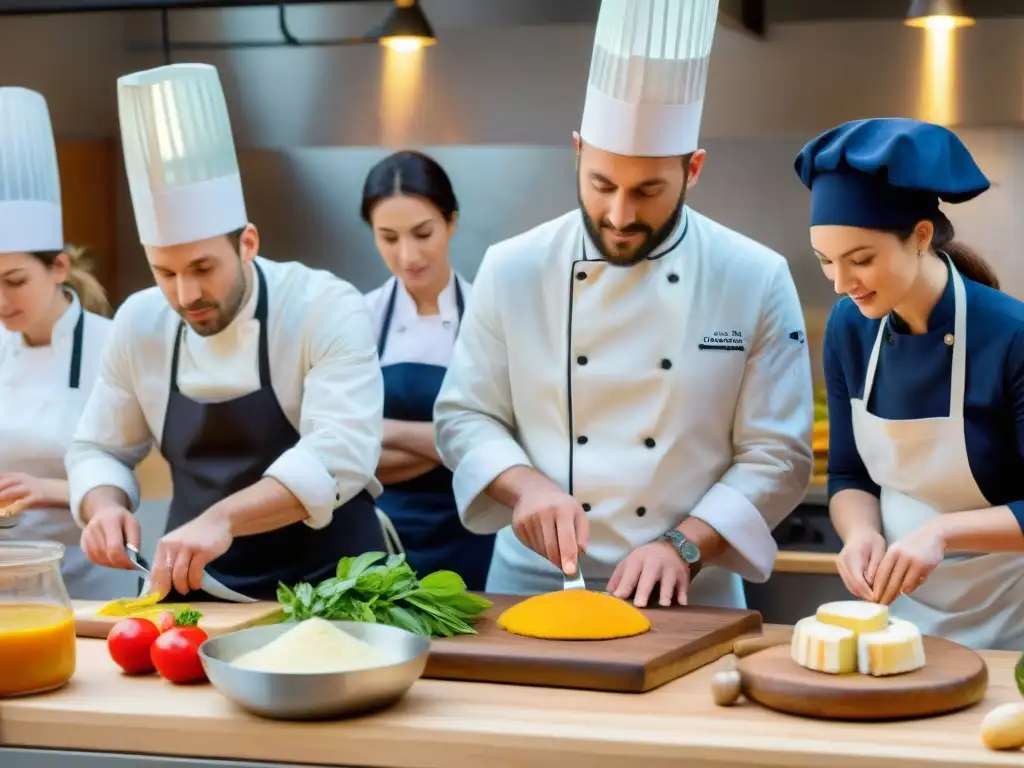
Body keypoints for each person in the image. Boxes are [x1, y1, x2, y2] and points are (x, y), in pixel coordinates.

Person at [432, 0, 814, 608]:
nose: (619, 215)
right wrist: (525, 487)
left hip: (693, 587)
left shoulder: (754, 276)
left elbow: (780, 454)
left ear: (694, 169)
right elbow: (463, 416)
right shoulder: (515, 266)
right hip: (536, 582)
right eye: (602, 184)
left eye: (648, 191)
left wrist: (685, 546)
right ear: (578, 152)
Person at [66, 62, 387, 603]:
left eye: (203, 268)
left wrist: (222, 518)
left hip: (335, 590)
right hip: (197, 588)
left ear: (248, 244)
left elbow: (340, 453)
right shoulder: (139, 322)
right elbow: (99, 447)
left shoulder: (324, 307)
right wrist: (105, 507)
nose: (186, 294)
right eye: (164, 273)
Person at [795, 117, 1024, 650]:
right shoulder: (849, 327)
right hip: (895, 623)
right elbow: (850, 474)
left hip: (1011, 622)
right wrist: (860, 534)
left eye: (861, 260)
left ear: (921, 236)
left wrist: (941, 532)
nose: (840, 283)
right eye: (826, 261)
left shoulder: (1010, 337)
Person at [0, 87, 138, 600]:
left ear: (58, 266)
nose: (1, 300)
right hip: (8, 577)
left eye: (15, 280)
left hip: (98, 578)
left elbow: (129, 475)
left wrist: (49, 491)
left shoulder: (113, 345)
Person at [361, 150, 495, 589]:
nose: (408, 254)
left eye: (423, 233)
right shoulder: (360, 319)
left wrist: (384, 430)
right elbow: (348, 454)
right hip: (380, 538)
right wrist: (455, 443)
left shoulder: (486, 316)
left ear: (451, 222)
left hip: (474, 534)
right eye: (388, 237)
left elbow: (502, 447)